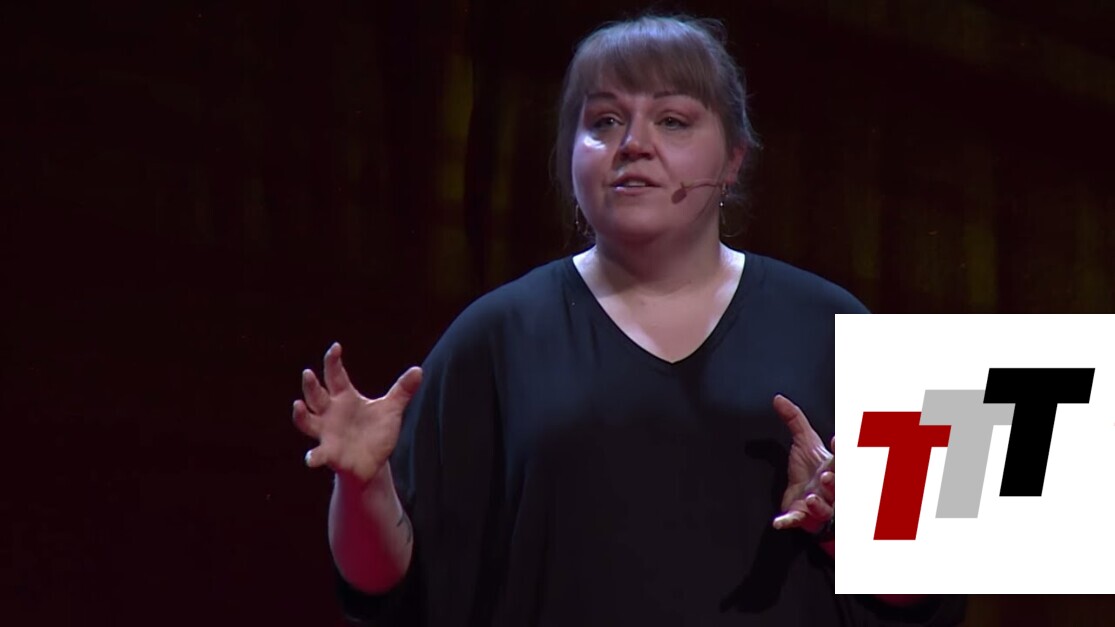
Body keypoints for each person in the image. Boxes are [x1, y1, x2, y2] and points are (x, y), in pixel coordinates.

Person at [292, 14, 965, 626]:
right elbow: (386, 589)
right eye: (605, 121)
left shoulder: (836, 326)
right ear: (570, 157)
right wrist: (362, 483)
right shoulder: (496, 337)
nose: (634, 143)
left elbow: (934, 594)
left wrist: (852, 525)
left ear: (733, 158)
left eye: (672, 120)